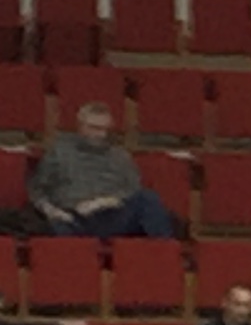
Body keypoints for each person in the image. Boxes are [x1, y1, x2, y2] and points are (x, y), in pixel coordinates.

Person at [30, 101, 178, 239]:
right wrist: (52, 211)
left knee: (148, 199)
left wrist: (105, 201)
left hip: (111, 214)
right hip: (73, 217)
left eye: (104, 129)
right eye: (94, 128)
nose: (101, 134)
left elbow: (132, 189)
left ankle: (166, 251)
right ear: (80, 126)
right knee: (55, 228)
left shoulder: (120, 156)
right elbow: (38, 191)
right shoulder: (59, 153)